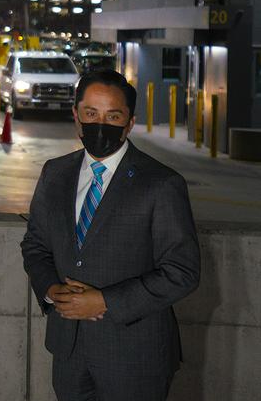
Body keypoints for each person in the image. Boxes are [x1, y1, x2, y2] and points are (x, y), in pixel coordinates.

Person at [20, 69, 200, 401]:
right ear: (76, 115)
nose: (100, 123)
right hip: (69, 351)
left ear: (129, 123)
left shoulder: (161, 183)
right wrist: (51, 290)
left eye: (112, 116)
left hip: (136, 356)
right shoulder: (54, 173)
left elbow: (183, 272)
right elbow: (35, 244)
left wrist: (106, 301)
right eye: (91, 113)